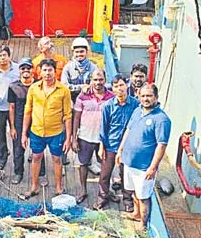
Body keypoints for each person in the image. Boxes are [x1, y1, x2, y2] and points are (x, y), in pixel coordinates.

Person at [116, 83, 171, 229]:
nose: (145, 99)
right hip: (129, 161)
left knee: (143, 196)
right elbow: (128, 130)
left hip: (144, 167)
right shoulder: (137, 111)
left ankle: (143, 223)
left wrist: (153, 168)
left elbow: (161, 145)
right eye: (143, 96)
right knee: (132, 190)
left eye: (149, 96)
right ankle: (136, 213)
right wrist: (120, 150)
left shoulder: (162, 119)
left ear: (156, 97)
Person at [22, 59, 72, 198]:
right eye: (44, 70)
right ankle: (34, 186)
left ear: (55, 71)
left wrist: (68, 138)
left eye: (50, 70)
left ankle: (59, 187)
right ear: (39, 71)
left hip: (56, 132)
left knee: (57, 159)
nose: (47, 73)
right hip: (36, 131)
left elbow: (68, 115)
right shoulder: (33, 88)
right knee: (36, 157)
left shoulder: (63, 90)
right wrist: (24, 134)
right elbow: (28, 111)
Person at [95, 76, 139, 210]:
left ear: (126, 86)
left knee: (125, 174)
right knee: (105, 174)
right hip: (110, 145)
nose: (119, 89)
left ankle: (127, 200)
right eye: (116, 87)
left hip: (128, 147)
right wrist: (101, 147)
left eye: (121, 85)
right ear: (112, 89)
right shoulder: (108, 106)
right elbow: (104, 127)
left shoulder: (136, 104)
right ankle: (103, 196)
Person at [71, 68, 114, 204]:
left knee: (106, 165)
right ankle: (83, 190)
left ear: (105, 80)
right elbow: (76, 118)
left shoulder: (112, 97)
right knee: (83, 164)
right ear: (90, 81)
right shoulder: (82, 96)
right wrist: (74, 138)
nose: (98, 82)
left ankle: (106, 190)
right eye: (95, 79)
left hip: (105, 139)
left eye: (101, 79)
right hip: (85, 136)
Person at [7, 57, 45, 184]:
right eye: (23, 68)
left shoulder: (40, 85)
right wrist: (12, 127)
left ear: (32, 69)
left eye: (28, 68)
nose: (26, 70)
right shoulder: (13, 86)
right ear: (19, 70)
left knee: (38, 148)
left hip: (37, 121)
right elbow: (11, 107)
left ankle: (41, 173)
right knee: (18, 149)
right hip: (19, 121)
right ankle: (18, 173)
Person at [61, 37, 98, 166]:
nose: (79, 54)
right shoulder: (68, 68)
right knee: (66, 130)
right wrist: (80, 87)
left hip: (87, 104)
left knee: (87, 130)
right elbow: (64, 86)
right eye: (77, 52)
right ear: (73, 53)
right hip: (70, 102)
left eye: (82, 52)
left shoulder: (93, 67)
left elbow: (96, 84)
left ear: (86, 52)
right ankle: (63, 157)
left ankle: (88, 161)